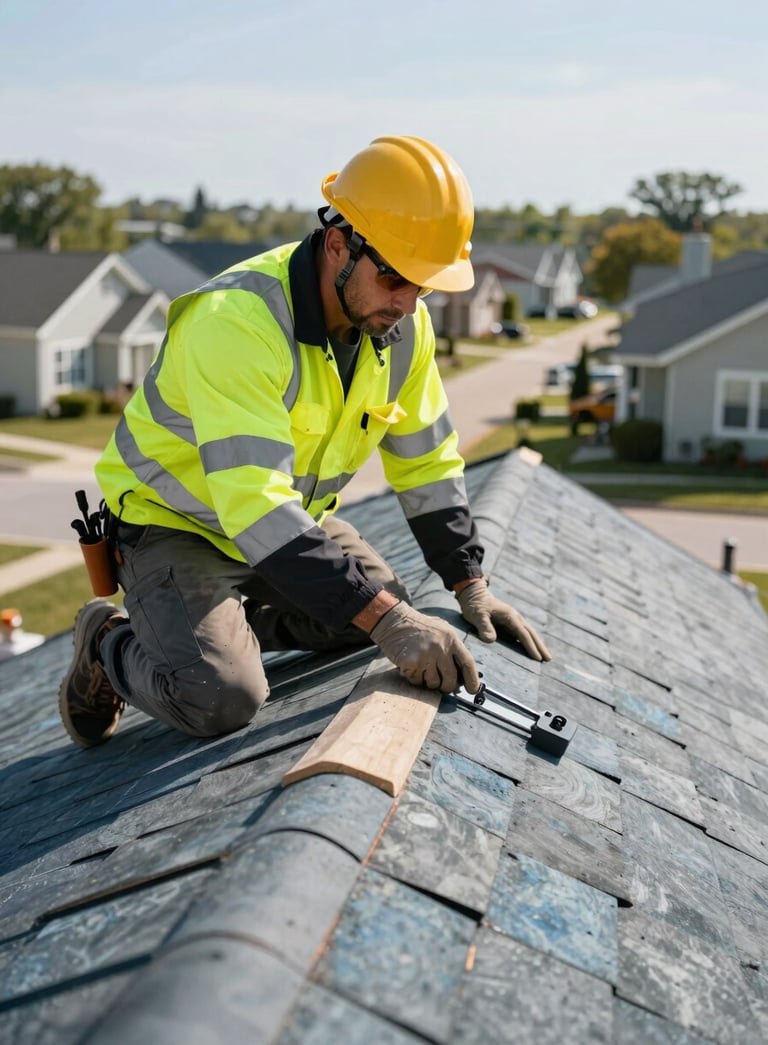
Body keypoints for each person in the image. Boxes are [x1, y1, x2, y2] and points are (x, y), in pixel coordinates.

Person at [59, 134, 551, 748]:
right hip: (176, 527)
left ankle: (223, 624)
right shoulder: (236, 323)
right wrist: (389, 620)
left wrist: (467, 582)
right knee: (222, 695)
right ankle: (108, 638)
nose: (408, 303)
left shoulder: (403, 325)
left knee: (380, 608)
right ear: (340, 244)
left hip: (287, 526)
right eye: (396, 278)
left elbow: (426, 461)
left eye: (424, 285)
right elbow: (254, 502)